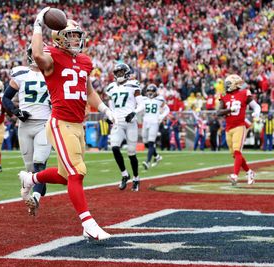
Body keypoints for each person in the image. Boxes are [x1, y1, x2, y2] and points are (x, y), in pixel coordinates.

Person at [18, 8, 115, 240]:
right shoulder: (51, 57)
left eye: (76, 36)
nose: (75, 39)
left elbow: (88, 90)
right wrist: (38, 26)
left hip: (78, 124)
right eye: (70, 35)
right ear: (59, 37)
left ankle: (30, 178)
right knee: (77, 172)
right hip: (60, 123)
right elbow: (38, 55)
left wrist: (104, 108)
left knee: (65, 175)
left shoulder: (83, 61)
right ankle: (88, 224)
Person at [2, 46, 52, 216]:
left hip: (44, 124)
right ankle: (39, 187)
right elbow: (6, 98)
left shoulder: (52, 74)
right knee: (31, 168)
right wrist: (16, 112)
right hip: (24, 126)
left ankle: (36, 198)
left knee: (40, 162)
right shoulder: (21, 74)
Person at [105, 63, 143, 192]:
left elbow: (141, 104)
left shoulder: (133, 85)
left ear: (126, 73)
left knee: (131, 153)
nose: (119, 75)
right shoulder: (111, 88)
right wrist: (110, 116)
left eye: (121, 72)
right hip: (118, 122)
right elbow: (111, 107)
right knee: (115, 147)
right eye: (117, 73)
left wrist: (134, 113)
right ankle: (125, 175)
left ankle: (136, 178)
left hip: (131, 122)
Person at [217, 74, 261, 186]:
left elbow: (256, 106)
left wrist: (256, 112)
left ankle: (235, 176)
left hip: (239, 126)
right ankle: (249, 172)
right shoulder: (224, 96)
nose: (226, 86)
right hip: (228, 128)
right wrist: (229, 109)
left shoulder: (244, 93)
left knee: (237, 151)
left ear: (234, 84)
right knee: (235, 155)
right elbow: (218, 112)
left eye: (228, 84)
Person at [141, 84, 170, 170]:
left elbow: (167, 109)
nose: (150, 93)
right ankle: (157, 156)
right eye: (148, 91)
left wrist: (162, 116)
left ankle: (147, 162)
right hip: (145, 122)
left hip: (154, 122)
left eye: (152, 91)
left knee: (150, 143)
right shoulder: (144, 99)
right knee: (145, 143)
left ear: (155, 92)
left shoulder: (160, 99)